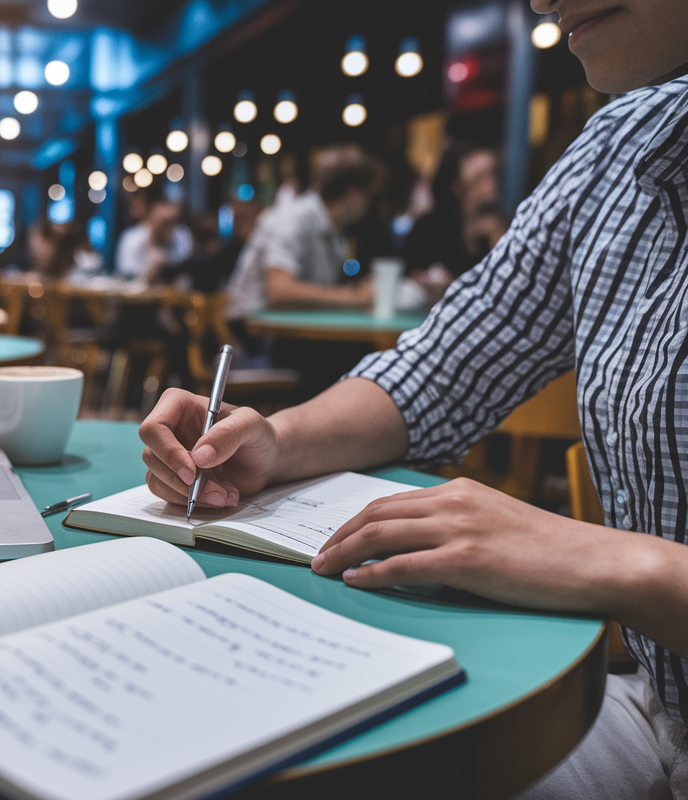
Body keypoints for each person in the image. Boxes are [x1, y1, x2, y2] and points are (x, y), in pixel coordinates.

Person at [140, 0, 688, 796]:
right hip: (658, 707)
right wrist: (277, 442)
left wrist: (613, 563)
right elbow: (436, 372)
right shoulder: (618, 143)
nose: (538, 0)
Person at [225, 152, 382, 319]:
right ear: (353, 195)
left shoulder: (331, 230)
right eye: (369, 196)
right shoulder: (294, 218)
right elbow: (279, 292)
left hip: (288, 325)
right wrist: (351, 297)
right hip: (252, 326)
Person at [401, 143, 502, 298]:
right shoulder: (428, 229)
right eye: (480, 178)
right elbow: (406, 276)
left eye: (494, 174)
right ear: (456, 187)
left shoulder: (499, 228)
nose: (491, 186)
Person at [114, 196, 193, 283]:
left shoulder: (181, 236)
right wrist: (151, 272)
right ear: (152, 216)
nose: (169, 229)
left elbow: (186, 276)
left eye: (172, 223)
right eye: (165, 223)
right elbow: (125, 276)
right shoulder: (131, 238)